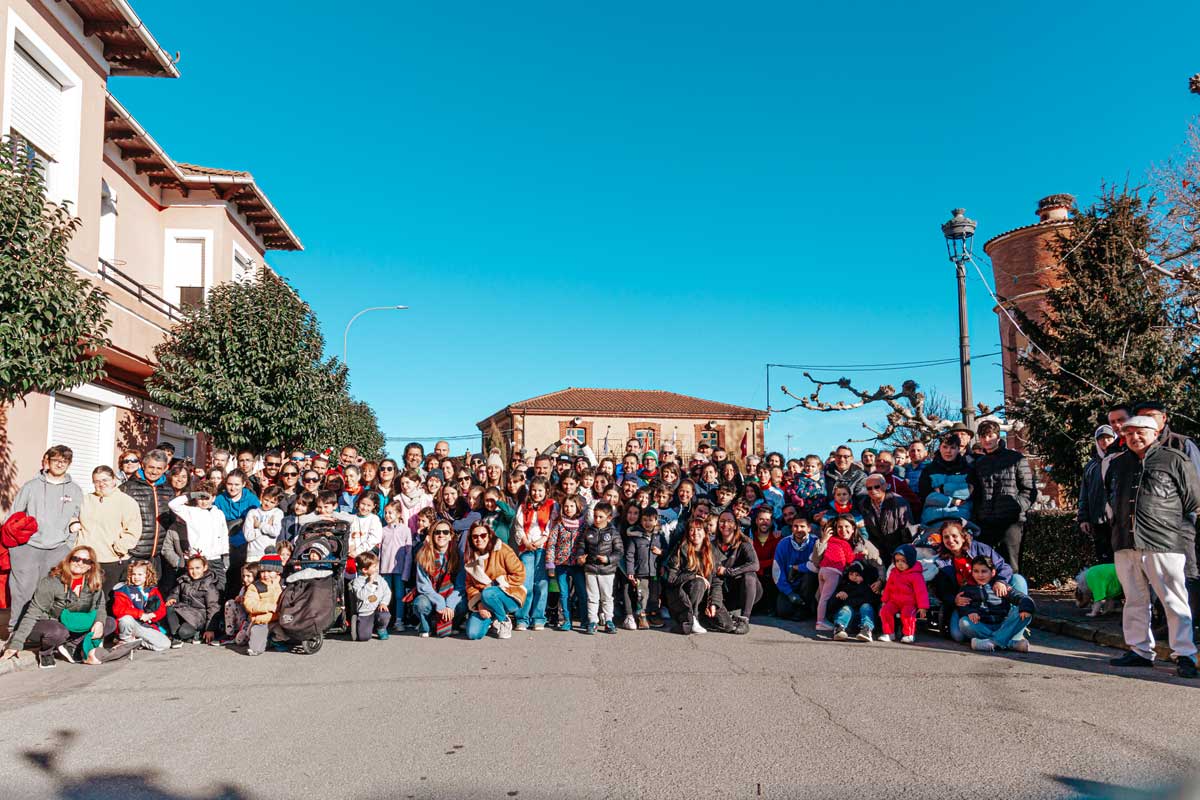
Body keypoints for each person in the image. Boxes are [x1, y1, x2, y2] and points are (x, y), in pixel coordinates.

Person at [1105, 415, 1198, 678]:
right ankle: (1139, 650)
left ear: (1155, 432)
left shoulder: (1174, 459)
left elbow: (1192, 499)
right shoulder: (1119, 463)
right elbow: (1110, 494)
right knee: (1134, 599)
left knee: (1173, 599)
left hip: (1164, 541)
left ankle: (1185, 654)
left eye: (1140, 432)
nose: (1134, 437)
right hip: (1125, 541)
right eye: (1129, 433)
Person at [6, 445, 84, 622]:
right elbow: (13, 516)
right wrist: (18, 545)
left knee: (51, 592)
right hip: (28, 548)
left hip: (58, 549)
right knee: (23, 591)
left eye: (64, 461)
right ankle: (16, 630)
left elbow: (78, 518)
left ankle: (43, 630)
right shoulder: (31, 486)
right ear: (47, 462)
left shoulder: (75, 490)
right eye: (56, 460)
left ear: (69, 464)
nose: (59, 464)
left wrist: (68, 544)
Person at [1, 545, 112, 668]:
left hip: (73, 623)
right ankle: (46, 652)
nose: (80, 563)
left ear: (91, 565)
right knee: (57, 631)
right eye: (76, 559)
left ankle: (72, 645)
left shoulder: (93, 582)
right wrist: (16, 644)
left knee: (109, 622)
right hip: (48, 623)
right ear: (69, 560)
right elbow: (32, 613)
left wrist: (99, 622)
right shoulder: (52, 582)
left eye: (86, 561)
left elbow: (100, 605)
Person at [972, 419, 1037, 573]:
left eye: (990, 435)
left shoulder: (1015, 458)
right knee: (985, 566)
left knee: (1011, 566)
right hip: (986, 522)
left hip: (1011, 522)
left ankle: (1016, 596)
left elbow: (1029, 489)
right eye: (983, 436)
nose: (986, 440)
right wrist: (978, 515)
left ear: (998, 436)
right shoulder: (980, 463)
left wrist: (1017, 507)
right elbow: (976, 493)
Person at [74, 465, 142, 591]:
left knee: (108, 601)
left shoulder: (126, 501)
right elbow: (73, 515)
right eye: (97, 481)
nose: (101, 484)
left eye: (105, 480)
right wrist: (73, 524)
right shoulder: (86, 499)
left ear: (113, 480)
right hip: (86, 560)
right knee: (84, 599)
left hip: (112, 560)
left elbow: (133, 530)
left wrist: (120, 547)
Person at [663, 517, 734, 635]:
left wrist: (714, 603)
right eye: (691, 530)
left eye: (699, 529)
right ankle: (693, 617)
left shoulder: (713, 551)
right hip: (682, 596)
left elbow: (716, 581)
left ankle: (701, 618)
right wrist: (693, 576)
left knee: (727, 625)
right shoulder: (680, 550)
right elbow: (671, 579)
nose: (695, 533)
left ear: (706, 532)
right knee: (699, 583)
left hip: (704, 598)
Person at [119, 448, 175, 587]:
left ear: (166, 468)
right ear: (143, 466)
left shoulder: (168, 490)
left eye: (159, 468)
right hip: (134, 553)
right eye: (151, 467)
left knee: (152, 596)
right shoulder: (127, 488)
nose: (154, 472)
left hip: (158, 555)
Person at [958, 555, 1035, 653]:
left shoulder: (1000, 586)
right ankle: (1010, 644)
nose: (980, 575)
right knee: (964, 623)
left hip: (1003, 625)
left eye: (984, 571)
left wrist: (1025, 608)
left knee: (1026, 612)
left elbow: (1022, 598)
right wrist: (970, 612)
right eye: (976, 571)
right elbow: (962, 606)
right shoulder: (967, 588)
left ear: (993, 572)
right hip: (982, 625)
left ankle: (992, 642)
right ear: (972, 572)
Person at [463, 522, 526, 641]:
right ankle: (493, 620)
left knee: (488, 593)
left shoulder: (502, 549)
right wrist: (479, 604)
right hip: (485, 600)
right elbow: (470, 585)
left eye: (483, 535)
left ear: (489, 535)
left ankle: (504, 621)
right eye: (475, 536)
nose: (479, 539)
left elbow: (520, 574)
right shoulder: (470, 559)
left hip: (509, 595)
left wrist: (497, 583)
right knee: (473, 633)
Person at [512, 477, 556, 631]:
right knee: (526, 583)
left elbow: (552, 524)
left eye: (540, 491)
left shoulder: (551, 505)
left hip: (543, 548)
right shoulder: (524, 506)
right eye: (534, 490)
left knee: (541, 584)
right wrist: (525, 541)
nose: (537, 493)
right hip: (527, 548)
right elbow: (518, 526)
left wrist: (543, 539)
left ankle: (538, 617)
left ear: (546, 492)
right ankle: (522, 618)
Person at [409, 522, 466, 638]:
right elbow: (423, 586)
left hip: (451, 594)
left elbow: (461, 586)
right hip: (431, 595)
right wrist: (439, 601)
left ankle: (453, 624)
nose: (441, 535)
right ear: (432, 536)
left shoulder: (459, 556)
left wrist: (449, 605)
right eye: (437, 532)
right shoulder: (423, 555)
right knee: (420, 604)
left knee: (462, 604)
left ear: (450, 536)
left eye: (445, 532)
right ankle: (426, 626)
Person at [167, 490, 230, 593]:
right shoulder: (191, 512)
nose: (204, 502)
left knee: (220, 587)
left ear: (213, 498)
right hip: (198, 558)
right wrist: (191, 495)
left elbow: (223, 534)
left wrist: (226, 554)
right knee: (198, 588)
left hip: (216, 558)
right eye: (201, 498)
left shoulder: (219, 513)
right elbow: (172, 504)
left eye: (207, 498)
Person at [575, 501, 621, 634]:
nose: (597, 519)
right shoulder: (588, 531)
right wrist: (580, 557)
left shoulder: (613, 532)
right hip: (590, 569)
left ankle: (609, 621)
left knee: (607, 597)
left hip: (607, 571)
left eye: (600, 517)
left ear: (609, 518)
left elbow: (619, 551)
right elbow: (581, 546)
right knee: (592, 597)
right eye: (595, 516)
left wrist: (608, 559)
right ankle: (592, 621)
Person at [545, 494, 587, 631]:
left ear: (578, 507)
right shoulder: (559, 524)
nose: (568, 509)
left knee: (581, 592)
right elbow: (551, 544)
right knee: (563, 593)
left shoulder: (583, 525)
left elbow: (587, 544)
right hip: (561, 564)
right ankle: (566, 620)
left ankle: (585, 619)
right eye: (566, 506)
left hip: (577, 565)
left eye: (571, 506)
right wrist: (550, 564)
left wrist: (585, 558)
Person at [622, 504, 666, 630]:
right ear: (641, 520)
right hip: (641, 572)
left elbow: (667, 551)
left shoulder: (659, 536)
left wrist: (661, 552)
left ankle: (653, 615)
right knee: (642, 595)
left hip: (655, 572)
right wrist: (630, 571)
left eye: (651, 520)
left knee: (654, 595)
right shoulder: (635, 536)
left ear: (656, 521)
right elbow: (629, 555)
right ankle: (641, 616)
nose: (647, 523)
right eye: (645, 520)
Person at [1078, 425, 1117, 564]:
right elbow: (1084, 494)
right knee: (1104, 560)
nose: (1105, 441)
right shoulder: (1091, 466)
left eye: (1108, 438)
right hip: (1099, 521)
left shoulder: (1121, 460)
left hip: (1119, 521)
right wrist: (1083, 518)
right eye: (1101, 439)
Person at [111, 560, 169, 652]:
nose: (136, 577)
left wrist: (153, 615)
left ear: (147, 575)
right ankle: (125, 640)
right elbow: (118, 610)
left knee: (165, 644)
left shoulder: (153, 590)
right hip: (131, 624)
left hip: (145, 626)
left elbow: (162, 609)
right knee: (126, 619)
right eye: (134, 574)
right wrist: (140, 614)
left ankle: (136, 642)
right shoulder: (123, 590)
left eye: (140, 574)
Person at [713, 510, 760, 624]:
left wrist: (729, 572)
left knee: (750, 575)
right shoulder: (712, 545)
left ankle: (744, 619)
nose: (725, 525)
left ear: (735, 525)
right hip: (725, 591)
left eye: (729, 521)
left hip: (746, 589)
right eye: (722, 521)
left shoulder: (745, 543)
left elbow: (755, 564)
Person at [858, 473, 915, 567]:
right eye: (869, 488)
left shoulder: (899, 502)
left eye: (877, 486)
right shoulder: (863, 504)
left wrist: (903, 553)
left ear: (884, 486)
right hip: (877, 551)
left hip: (898, 549)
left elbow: (907, 529)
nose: (873, 490)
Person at [165, 554, 221, 647]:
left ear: (205, 567)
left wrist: (210, 629)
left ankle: (196, 634)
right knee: (169, 607)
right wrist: (172, 598)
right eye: (191, 568)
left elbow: (213, 608)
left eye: (197, 568)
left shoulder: (209, 586)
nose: (194, 572)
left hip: (198, 618)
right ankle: (175, 636)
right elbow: (175, 592)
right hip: (184, 612)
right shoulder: (184, 581)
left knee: (184, 632)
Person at [878, 544, 928, 644]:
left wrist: (923, 607)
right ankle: (889, 633)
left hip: (909, 602)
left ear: (910, 560)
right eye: (897, 561)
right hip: (894, 601)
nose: (900, 564)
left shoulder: (916, 575)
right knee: (885, 611)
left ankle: (909, 634)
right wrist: (884, 600)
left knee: (907, 614)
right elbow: (888, 588)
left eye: (903, 561)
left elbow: (921, 592)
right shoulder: (894, 573)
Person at [379, 500, 414, 633]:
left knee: (399, 595)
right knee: (385, 596)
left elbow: (408, 553)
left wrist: (406, 572)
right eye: (386, 512)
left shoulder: (406, 530)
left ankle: (399, 620)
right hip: (384, 569)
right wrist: (378, 570)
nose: (387, 515)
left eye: (390, 513)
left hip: (399, 570)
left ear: (399, 514)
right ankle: (384, 621)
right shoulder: (382, 530)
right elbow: (380, 552)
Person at [773, 516, 817, 619]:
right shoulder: (783, 543)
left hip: (807, 584)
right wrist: (789, 593)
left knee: (810, 576)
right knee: (783, 612)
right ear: (792, 528)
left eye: (802, 526)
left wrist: (798, 567)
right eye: (795, 526)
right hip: (789, 584)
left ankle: (805, 608)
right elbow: (777, 570)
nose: (798, 529)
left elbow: (817, 565)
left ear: (809, 528)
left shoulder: (815, 542)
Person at [242, 554, 283, 655]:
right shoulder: (256, 586)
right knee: (255, 648)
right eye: (263, 571)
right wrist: (268, 607)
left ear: (277, 571)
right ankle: (260, 642)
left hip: (279, 619)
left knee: (289, 633)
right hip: (261, 621)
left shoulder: (280, 584)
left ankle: (273, 640)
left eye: (269, 571)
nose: (265, 574)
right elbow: (250, 604)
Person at [828, 560, 879, 642]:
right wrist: (838, 596)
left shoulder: (868, 586)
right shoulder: (844, 585)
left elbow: (871, 600)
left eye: (857, 575)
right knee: (846, 608)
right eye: (851, 574)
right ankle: (839, 629)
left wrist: (849, 598)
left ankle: (866, 630)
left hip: (862, 618)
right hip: (848, 620)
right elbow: (832, 606)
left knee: (866, 606)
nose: (854, 577)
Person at [350, 552, 392, 641]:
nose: (377, 568)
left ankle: (381, 628)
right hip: (365, 612)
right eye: (374, 567)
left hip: (377, 609)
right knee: (363, 637)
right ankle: (367, 627)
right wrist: (369, 583)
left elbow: (387, 592)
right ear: (365, 569)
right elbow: (360, 596)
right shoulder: (357, 582)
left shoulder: (380, 579)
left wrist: (384, 603)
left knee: (384, 615)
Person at [243, 485, 284, 564]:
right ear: (262, 496)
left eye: (272, 502)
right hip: (252, 555)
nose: (268, 504)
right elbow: (248, 536)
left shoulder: (277, 513)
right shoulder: (252, 513)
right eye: (266, 500)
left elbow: (275, 532)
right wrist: (264, 528)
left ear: (277, 503)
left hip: (269, 554)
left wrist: (260, 525)